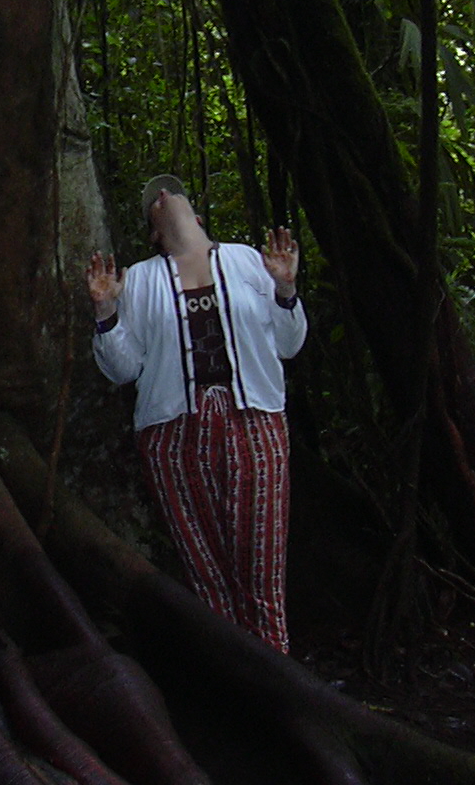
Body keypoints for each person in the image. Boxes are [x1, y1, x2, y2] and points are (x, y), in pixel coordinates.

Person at [85, 174, 306, 653]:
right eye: (153, 201)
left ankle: (280, 687)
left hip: (255, 423)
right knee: (208, 574)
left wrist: (285, 290)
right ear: (153, 231)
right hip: (172, 434)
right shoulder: (141, 279)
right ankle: (230, 685)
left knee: (261, 568)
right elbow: (124, 369)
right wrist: (105, 312)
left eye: (171, 191)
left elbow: (288, 344)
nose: (163, 196)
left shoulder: (248, 260)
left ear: (197, 215)